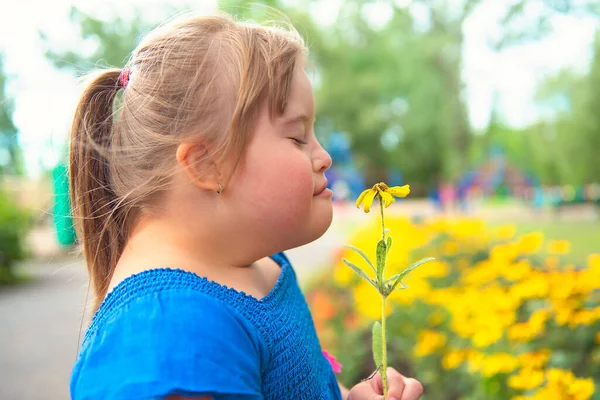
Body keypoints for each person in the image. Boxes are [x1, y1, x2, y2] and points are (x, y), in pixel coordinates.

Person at [69, 10, 424, 400]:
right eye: (297, 137)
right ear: (207, 163)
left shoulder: (259, 262)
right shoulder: (171, 336)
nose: (323, 157)